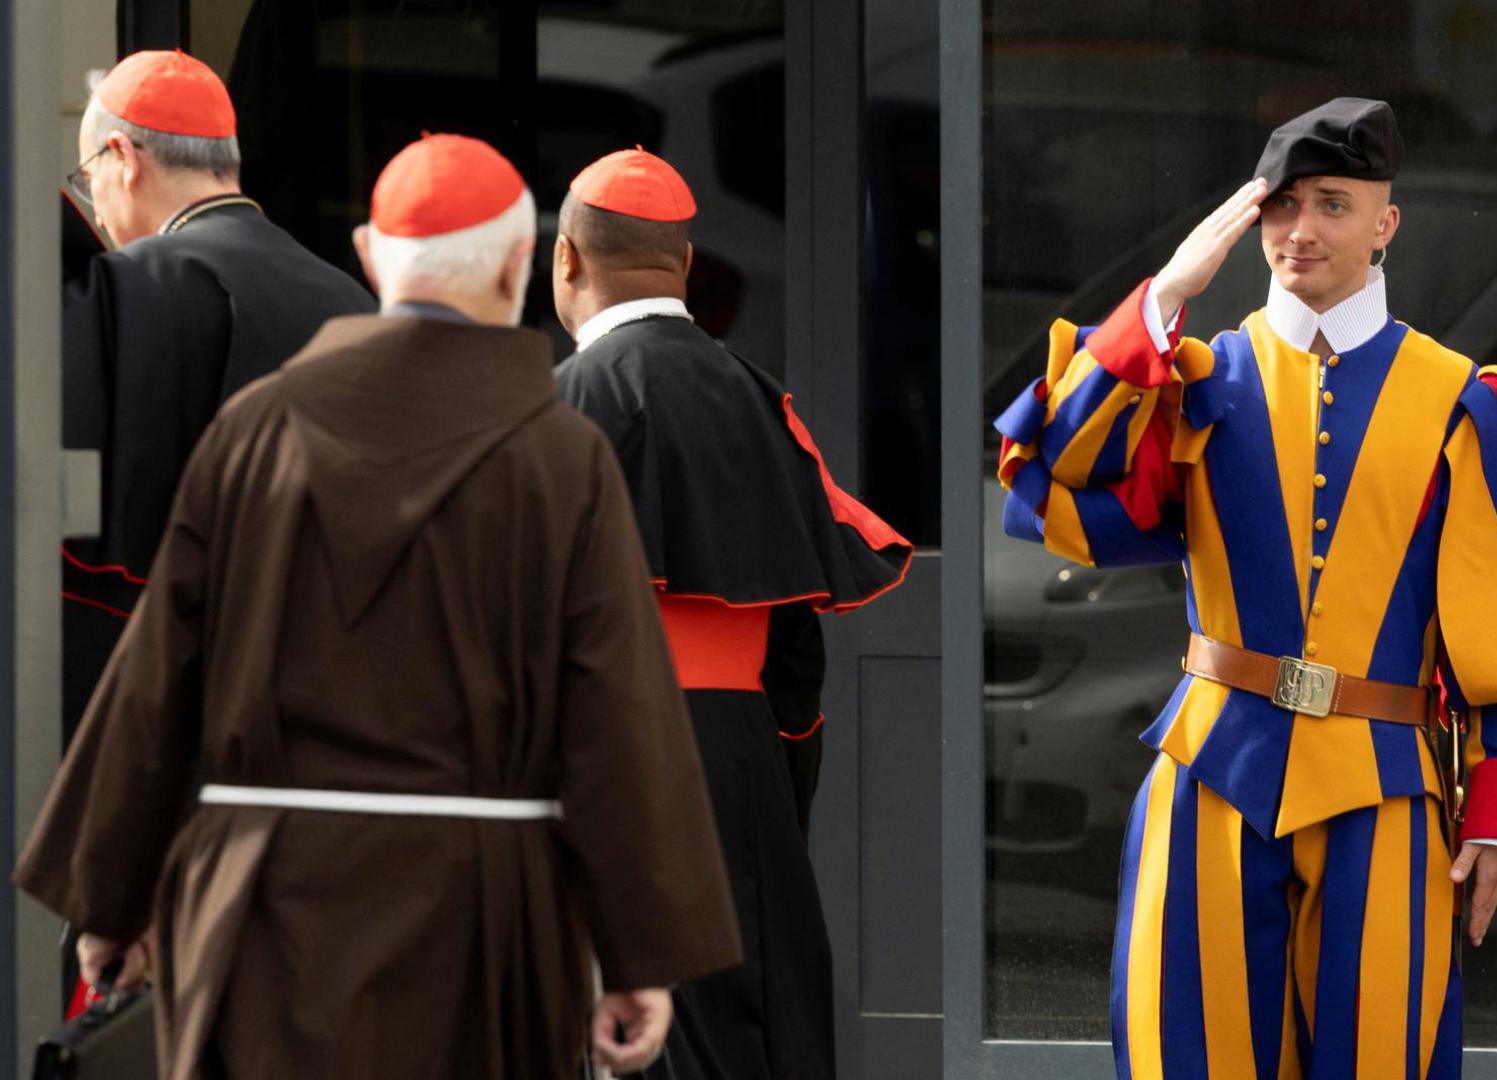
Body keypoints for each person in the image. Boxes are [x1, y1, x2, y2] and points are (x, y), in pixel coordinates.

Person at [17, 132, 742, 1078]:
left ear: (368, 256)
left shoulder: (253, 433)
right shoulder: (562, 462)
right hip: (483, 923)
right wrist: (643, 955)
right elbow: (615, 712)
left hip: (266, 911)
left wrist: (113, 901)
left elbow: (159, 676)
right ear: (523, 264)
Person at [995, 98, 1497, 1077]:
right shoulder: (1192, 378)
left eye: (1331, 203)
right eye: (1280, 205)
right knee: (1184, 1052)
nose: (1300, 228)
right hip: (1208, 774)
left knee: (1383, 1059)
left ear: (1383, 223)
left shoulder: (1460, 400)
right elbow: (1055, 474)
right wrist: (1164, 298)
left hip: (1389, 787)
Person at [552, 148, 913, 1080]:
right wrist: (770, 787)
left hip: (601, 756)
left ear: (566, 260)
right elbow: (796, 652)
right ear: (684, 263)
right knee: (751, 1030)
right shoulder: (758, 397)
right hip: (739, 761)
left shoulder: (560, 405)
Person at [60, 49, 374, 740]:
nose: (98, 209)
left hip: (164, 703)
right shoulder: (349, 297)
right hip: (323, 697)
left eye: (89, 181)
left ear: (123, 156)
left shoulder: (120, 292)